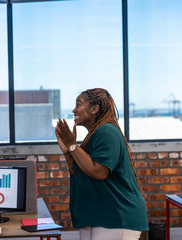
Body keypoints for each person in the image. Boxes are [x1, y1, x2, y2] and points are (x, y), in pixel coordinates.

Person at [55, 88, 149, 240]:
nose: (74, 109)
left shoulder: (107, 132)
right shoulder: (95, 135)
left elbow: (99, 172)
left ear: (95, 109)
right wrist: (68, 150)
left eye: (79, 104)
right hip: (99, 215)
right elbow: (79, 170)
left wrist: (73, 146)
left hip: (116, 216)